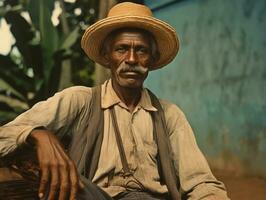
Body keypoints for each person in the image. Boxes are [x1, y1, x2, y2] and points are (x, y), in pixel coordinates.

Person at [0, 2, 230, 200]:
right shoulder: (80, 100)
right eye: (122, 49)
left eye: (141, 50)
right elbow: (4, 137)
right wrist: (38, 135)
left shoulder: (169, 115)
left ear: (152, 59)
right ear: (107, 56)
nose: (131, 59)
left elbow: (201, 182)